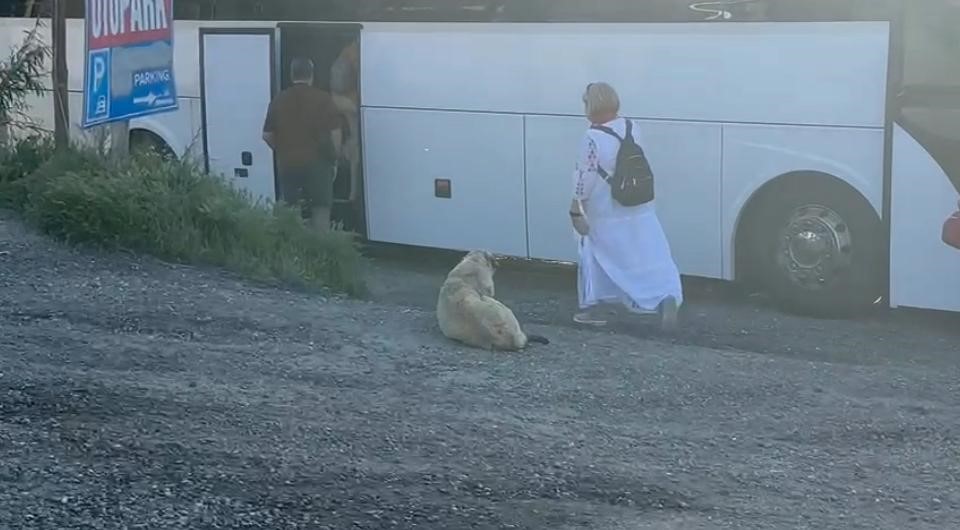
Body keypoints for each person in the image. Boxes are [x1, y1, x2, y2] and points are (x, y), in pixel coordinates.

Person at [569, 82, 683, 330]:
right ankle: (664, 296)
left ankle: (598, 306)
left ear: (592, 104)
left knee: (596, 252)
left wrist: (577, 205)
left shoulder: (592, 137)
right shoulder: (631, 127)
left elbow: (585, 175)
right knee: (645, 252)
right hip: (638, 205)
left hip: (606, 207)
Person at [262, 57, 343, 231]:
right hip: (318, 164)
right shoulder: (324, 99)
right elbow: (336, 133)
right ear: (311, 75)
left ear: (292, 75)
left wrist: (284, 149)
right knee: (321, 209)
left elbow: (267, 135)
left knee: (292, 211)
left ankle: (298, 251)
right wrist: (334, 159)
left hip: (288, 165)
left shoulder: (279, 100)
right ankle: (321, 252)